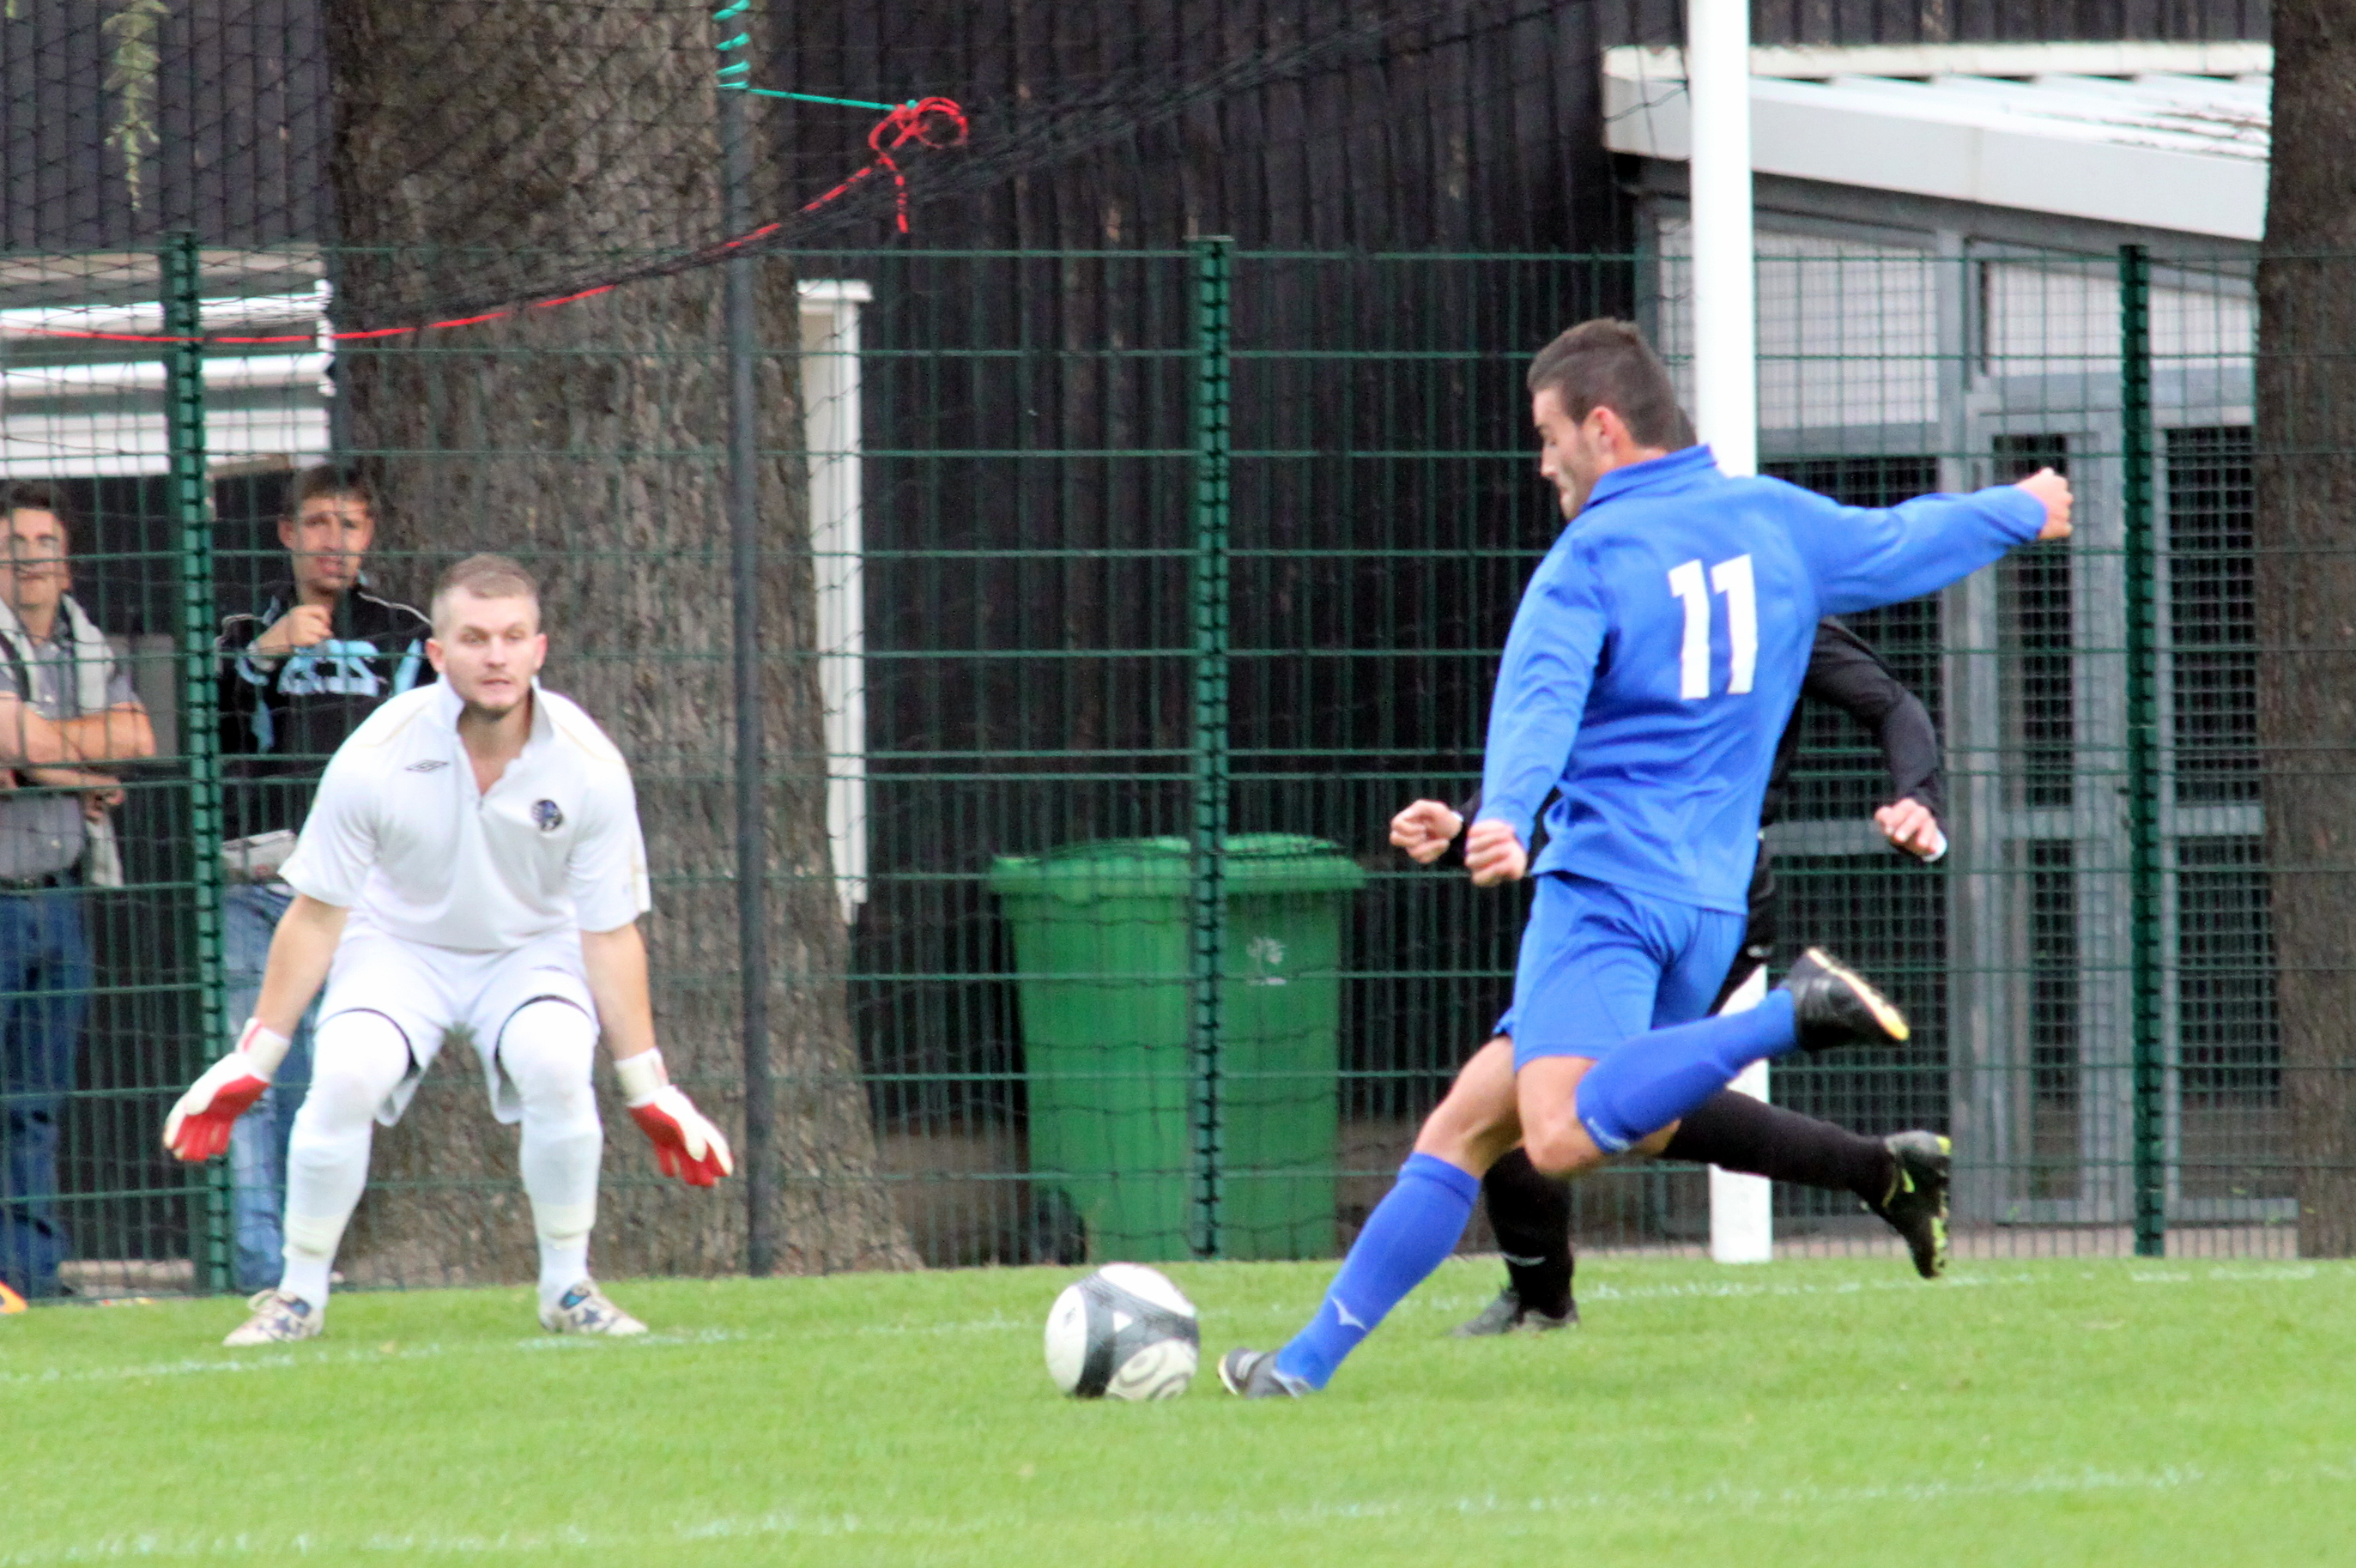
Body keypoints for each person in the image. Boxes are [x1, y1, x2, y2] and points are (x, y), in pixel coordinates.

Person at [1220, 319, 2071, 1397]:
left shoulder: (1591, 559)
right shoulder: (1771, 519)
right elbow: (1903, 539)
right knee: (1472, 1123)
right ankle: (1296, 1371)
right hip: (1711, 907)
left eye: (1549, 436)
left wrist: (1512, 818)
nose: (1543, 462)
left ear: (1605, 428)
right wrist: (2020, 508)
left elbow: (1537, 705)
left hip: (1607, 894)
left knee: (1561, 1134)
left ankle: (1790, 1014)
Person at [163, 554, 732, 1345]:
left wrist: (646, 1086)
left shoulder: (590, 763)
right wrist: (256, 1056)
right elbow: (319, 912)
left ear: (540, 648)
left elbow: (606, 931)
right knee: (347, 1072)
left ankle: (567, 1288)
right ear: (437, 653)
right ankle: (297, 1295)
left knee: (558, 1064)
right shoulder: (375, 751)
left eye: (511, 637)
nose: (494, 656)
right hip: (397, 951)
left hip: (530, 953)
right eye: (473, 638)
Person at [1397, 618, 1956, 1337]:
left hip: (1712, 898)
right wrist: (1471, 825)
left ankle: (1539, 1303)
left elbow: (1890, 703)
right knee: (1569, 1099)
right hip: (1616, 881)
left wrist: (1919, 797)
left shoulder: (1769, 601)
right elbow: (1577, 755)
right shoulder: (1619, 603)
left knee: (1562, 1097)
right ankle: (1880, 1170)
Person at [215, 463, 429, 1292]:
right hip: (257, 883)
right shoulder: (241, 629)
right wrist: (265, 657)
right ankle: (257, 1263)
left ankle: (316, 1254)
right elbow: (211, 733)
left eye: (349, 524)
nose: (333, 541)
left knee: (335, 1075)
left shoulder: (407, 634)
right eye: (316, 523)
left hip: (361, 895)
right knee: (253, 1074)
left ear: (369, 535)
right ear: (287, 533)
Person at [0, 483, 156, 1300]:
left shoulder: (86, 642)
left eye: (42, 541)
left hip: (60, 896)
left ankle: (30, 1276)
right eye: (13, 540)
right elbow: (6, 736)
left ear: (67, 558)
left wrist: (41, 762)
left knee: (37, 1099)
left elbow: (140, 733)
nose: (29, 556)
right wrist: (81, 769)